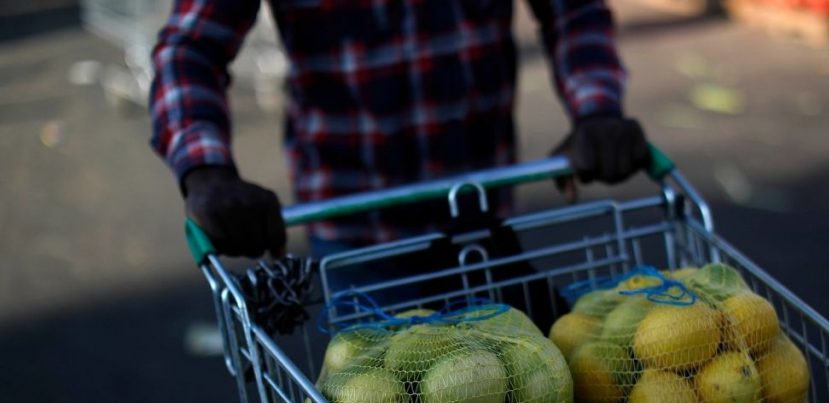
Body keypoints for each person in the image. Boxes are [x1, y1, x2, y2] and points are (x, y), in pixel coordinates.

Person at [149, 1, 650, 260]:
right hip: (357, 239)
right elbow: (189, 50)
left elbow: (574, 12)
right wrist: (207, 170)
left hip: (481, 215)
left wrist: (597, 109)